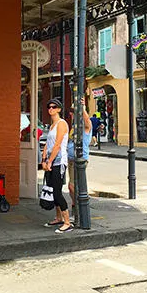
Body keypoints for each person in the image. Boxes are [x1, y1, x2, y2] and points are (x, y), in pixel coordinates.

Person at [42, 99, 72, 233]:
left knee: (58, 192)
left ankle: (67, 222)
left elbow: (58, 144)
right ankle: (58, 217)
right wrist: (43, 160)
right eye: (49, 107)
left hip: (59, 162)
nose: (51, 109)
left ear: (59, 109)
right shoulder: (52, 125)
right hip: (50, 162)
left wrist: (50, 162)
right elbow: (47, 145)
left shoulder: (62, 124)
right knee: (53, 190)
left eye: (54, 107)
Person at [65, 98, 92, 222]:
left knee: (73, 186)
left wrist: (83, 109)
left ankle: (80, 206)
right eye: (71, 111)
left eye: (73, 111)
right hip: (71, 160)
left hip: (80, 160)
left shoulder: (85, 127)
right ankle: (76, 205)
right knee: (72, 186)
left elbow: (87, 122)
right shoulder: (74, 127)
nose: (71, 114)